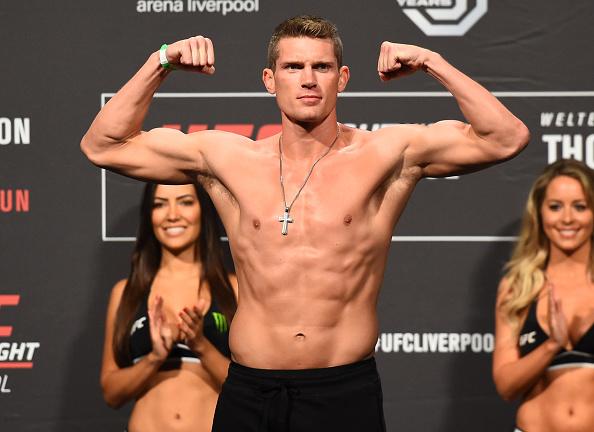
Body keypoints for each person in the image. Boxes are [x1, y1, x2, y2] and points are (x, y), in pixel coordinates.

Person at [83, 15, 530, 431]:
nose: (309, 79)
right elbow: (104, 145)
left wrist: (433, 62)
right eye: (293, 66)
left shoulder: (386, 154)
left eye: (322, 67)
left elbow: (506, 137)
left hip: (342, 392)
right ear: (269, 80)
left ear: (343, 78)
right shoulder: (227, 158)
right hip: (249, 392)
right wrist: (160, 62)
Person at [100, 182, 238, 432]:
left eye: (185, 202)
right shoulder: (125, 293)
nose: (172, 214)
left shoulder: (234, 289)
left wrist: (201, 346)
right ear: (149, 215)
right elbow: (111, 392)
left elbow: (253, 389)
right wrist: (155, 357)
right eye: (159, 204)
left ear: (203, 211)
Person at [493, 159, 594, 432]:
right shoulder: (518, 286)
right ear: (539, 213)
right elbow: (506, 386)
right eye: (555, 207)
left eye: (580, 206)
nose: (568, 218)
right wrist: (552, 345)